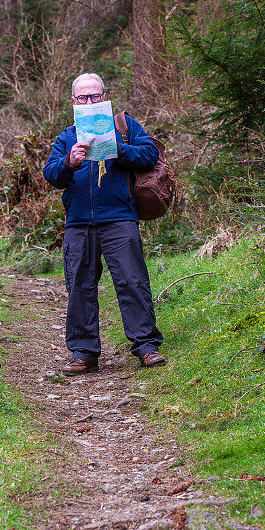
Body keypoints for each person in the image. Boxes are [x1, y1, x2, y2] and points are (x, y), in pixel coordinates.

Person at [43, 72, 166, 375]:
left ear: (104, 98)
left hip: (120, 219)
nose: (90, 101)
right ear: (74, 102)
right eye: (83, 97)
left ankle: (146, 346)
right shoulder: (67, 136)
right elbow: (50, 174)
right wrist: (69, 162)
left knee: (132, 281)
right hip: (78, 223)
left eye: (95, 96)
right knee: (80, 287)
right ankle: (83, 353)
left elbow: (150, 155)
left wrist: (118, 149)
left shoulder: (124, 126)